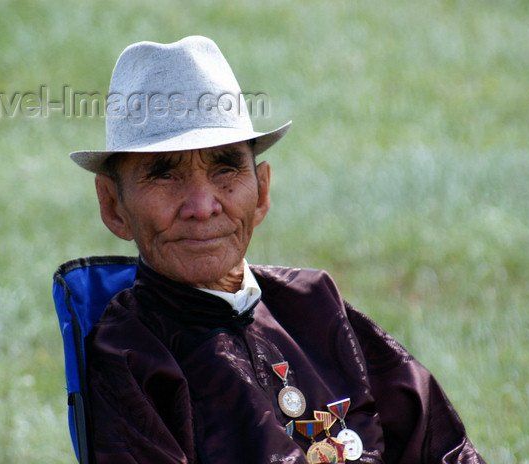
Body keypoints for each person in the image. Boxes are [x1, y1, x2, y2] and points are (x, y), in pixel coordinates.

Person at [68, 36, 485, 464]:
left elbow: (439, 444)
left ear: (262, 189)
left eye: (225, 167)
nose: (203, 205)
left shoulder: (315, 301)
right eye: (164, 175)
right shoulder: (129, 358)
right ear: (113, 206)